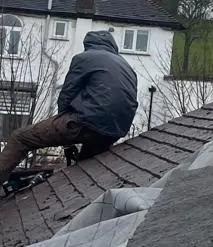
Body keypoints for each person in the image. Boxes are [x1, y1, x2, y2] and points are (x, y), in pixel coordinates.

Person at [0, 29, 139, 185]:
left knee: (20, 138)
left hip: (88, 122)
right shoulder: (127, 67)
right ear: (113, 46)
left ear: (88, 45)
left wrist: (65, 137)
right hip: (115, 131)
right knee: (84, 169)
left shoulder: (84, 58)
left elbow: (67, 95)